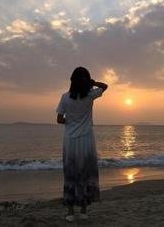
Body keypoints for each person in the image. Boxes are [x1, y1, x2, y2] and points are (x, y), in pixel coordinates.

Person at [56, 66, 108, 222]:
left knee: (70, 175)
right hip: (86, 140)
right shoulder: (90, 96)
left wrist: (71, 121)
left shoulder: (65, 97)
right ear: (86, 80)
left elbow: (59, 119)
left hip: (70, 140)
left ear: (72, 80)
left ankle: (70, 212)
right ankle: (84, 210)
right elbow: (105, 86)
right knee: (86, 173)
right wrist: (91, 82)